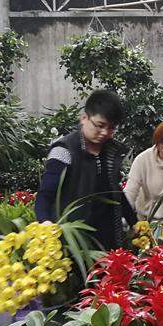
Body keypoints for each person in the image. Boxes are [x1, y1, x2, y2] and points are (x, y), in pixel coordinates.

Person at [34, 90, 137, 250]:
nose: (104, 133)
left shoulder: (111, 152)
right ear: (84, 118)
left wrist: (134, 222)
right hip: (74, 243)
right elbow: (45, 194)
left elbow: (115, 192)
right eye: (100, 125)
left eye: (111, 128)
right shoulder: (64, 150)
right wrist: (46, 222)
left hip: (108, 242)